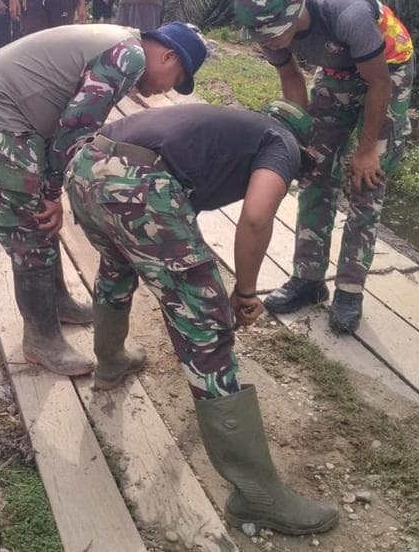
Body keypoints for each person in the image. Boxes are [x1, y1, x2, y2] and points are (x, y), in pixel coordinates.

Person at [65, 100, 339, 536]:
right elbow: (254, 218)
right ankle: (257, 497)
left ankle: (111, 361)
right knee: (206, 324)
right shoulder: (281, 142)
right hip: (138, 185)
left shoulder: (232, 125)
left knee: (117, 266)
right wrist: (245, 291)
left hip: (84, 167)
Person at [0, 22, 207, 376]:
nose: (168, 90)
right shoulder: (127, 57)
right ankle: (40, 340)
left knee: (40, 212)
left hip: (7, 107)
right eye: (176, 79)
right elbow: (76, 128)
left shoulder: (124, 43)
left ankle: (57, 302)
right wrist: (53, 192)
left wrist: (51, 187)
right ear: (168, 55)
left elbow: (75, 127)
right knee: (31, 224)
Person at [234, 0, 415, 333]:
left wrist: (366, 150)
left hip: (388, 71)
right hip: (336, 71)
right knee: (314, 172)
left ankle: (350, 288)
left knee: (368, 180)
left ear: (296, 10)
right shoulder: (266, 28)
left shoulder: (347, 16)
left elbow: (377, 85)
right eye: (262, 36)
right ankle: (309, 279)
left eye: (275, 33)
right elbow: (289, 74)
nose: (270, 41)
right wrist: (300, 136)